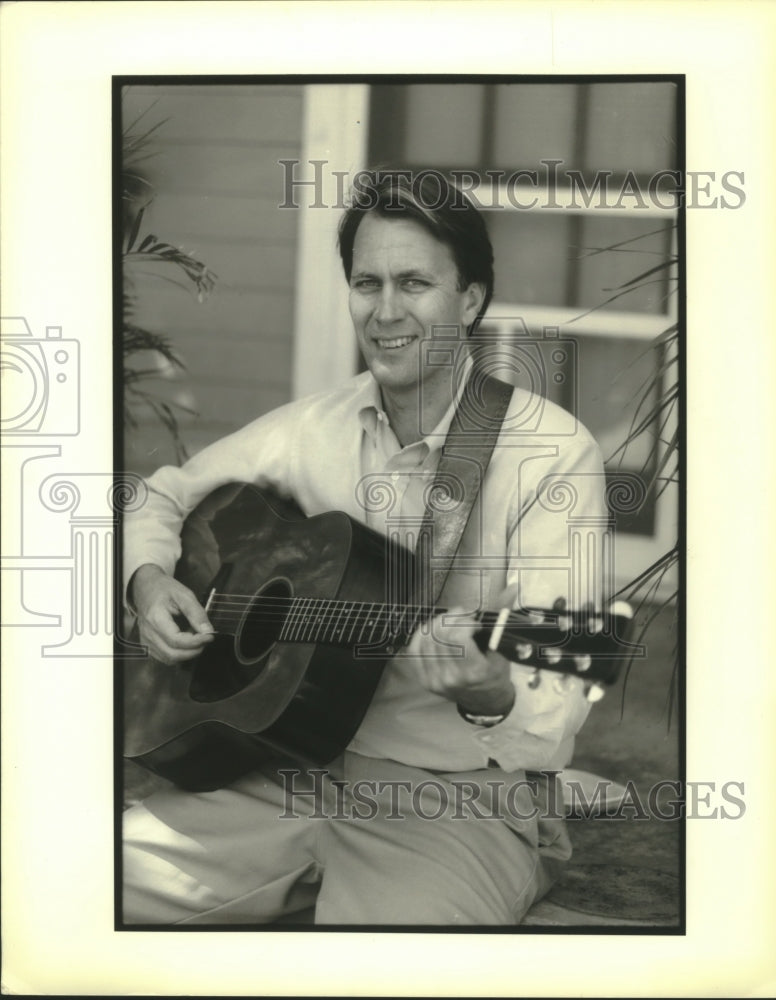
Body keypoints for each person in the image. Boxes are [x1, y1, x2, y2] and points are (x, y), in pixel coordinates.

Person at [122, 170, 609, 925]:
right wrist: (149, 579)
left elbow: (558, 699)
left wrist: (489, 689)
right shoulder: (310, 427)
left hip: (451, 796)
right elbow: (162, 494)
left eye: (414, 283)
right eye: (366, 283)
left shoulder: (550, 453)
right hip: (280, 770)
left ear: (470, 300)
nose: (384, 312)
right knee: (66, 885)